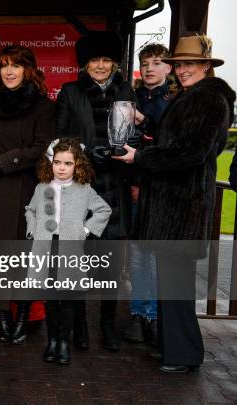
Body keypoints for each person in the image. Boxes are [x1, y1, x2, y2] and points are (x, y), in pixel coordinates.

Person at [113, 34, 235, 373]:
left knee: (178, 284)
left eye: (190, 64)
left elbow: (189, 152)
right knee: (170, 282)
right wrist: (146, 122)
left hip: (183, 204)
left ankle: (183, 354)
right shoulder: (193, 98)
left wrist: (140, 156)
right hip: (173, 203)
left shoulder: (208, 100)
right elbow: (177, 138)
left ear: (206, 66)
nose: (182, 70)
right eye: (179, 64)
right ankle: (171, 347)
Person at [55, 30, 138, 352]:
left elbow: (134, 136)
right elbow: (58, 140)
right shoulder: (70, 92)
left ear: (114, 63)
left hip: (114, 189)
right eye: (94, 60)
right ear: (85, 64)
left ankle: (107, 325)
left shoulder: (127, 91)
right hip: (80, 188)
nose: (101, 66)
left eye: (106, 60)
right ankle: (79, 326)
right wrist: (85, 153)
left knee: (110, 264)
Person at [0, 45, 54, 344]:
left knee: (24, 253)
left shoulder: (44, 106)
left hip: (27, 189)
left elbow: (42, 147)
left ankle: (21, 313)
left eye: (16, 66)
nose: (9, 71)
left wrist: (5, 163)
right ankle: (3, 315)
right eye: (4, 66)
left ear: (28, 70)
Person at [25, 138, 111, 365]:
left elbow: (104, 210)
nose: (61, 168)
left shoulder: (84, 190)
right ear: (50, 163)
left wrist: (85, 229)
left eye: (68, 163)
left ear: (78, 165)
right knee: (51, 299)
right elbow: (30, 210)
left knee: (68, 299)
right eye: (57, 162)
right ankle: (51, 341)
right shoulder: (42, 187)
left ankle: (64, 343)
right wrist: (33, 231)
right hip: (46, 249)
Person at [123, 44, 175, 345]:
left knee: (155, 255)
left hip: (162, 189)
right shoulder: (132, 97)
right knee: (140, 255)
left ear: (169, 67)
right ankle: (139, 313)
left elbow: (166, 146)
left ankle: (153, 315)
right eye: (146, 63)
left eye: (158, 62)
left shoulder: (175, 100)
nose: (151, 68)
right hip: (134, 186)